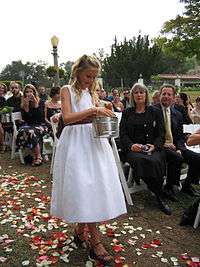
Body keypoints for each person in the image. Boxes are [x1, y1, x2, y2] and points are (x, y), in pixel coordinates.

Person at [50, 55, 127, 264]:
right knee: (84, 187)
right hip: (75, 143)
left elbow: (92, 118)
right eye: (88, 75)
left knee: (93, 188)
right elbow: (67, 117)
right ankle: (95, 242)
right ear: (77, 72)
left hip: (93, 142)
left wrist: (104, 111)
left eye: (94, 77)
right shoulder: (66, 90)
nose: (91, 80)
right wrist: (94, 109)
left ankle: (79, 230)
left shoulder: (91, 92)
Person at [119, 83, 171, 215]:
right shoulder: (126, 113)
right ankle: (159, 196)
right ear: (132, 96)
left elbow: (161, 133)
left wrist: (155, 145)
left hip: (152, 147)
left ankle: (155, 190)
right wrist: (131, 145)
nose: (139, 95)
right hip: (133, 150)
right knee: (142, 161)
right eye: (136, 92)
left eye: (141, 92)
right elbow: (122, 135)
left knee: (156, 160)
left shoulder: (155, 111)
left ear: (146, 95)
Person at [156, 84, 200, 199]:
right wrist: (163, 143)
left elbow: (180, 136)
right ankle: (169, 187)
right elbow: (150, 134)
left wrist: (180, 148)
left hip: (175, 146)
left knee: (197, 158)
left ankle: (187, 185)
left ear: (174, 97)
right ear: (160, 95)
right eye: (163, 94)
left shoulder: (178, 114)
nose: (166, 96)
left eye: (169, 94)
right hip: (159, 146)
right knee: (176, 157)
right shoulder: (153, 111)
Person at [16, 84, 48, 166]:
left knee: (30, 132)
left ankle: (36, 156)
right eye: (27, 92)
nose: (29, 94)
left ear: (34, 92)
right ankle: (38, 156)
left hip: (41, 125)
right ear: (24, 93)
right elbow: (27, 120)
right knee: (26, 131)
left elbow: (40, 118)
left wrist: (36, 104)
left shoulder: (41, 101)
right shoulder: (23, 103)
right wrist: (26, 107)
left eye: (31, 91)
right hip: (29, 125)